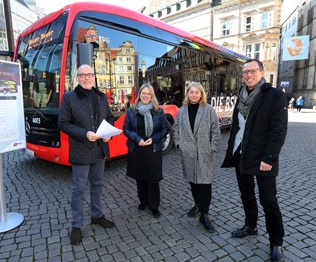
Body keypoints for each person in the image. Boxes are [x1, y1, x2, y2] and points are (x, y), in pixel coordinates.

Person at [221, 59, 288, 262]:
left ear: (262, 72)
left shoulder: (274, 96)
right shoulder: (241, 96)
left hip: (263, 159)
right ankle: (251, 225)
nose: (248, 75)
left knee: (269, 200)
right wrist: (232, 150)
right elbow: (237, 128)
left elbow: (279, 130)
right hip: (242, 155)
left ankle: (276, 242)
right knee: (246, 194)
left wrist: (269, 157)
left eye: (252, 71)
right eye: (245, 72)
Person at [58, 64, 116, 245]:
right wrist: (84, 134)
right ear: (77, 78)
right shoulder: (69, 98)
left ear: (94, 77)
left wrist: (108, 135)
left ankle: (97, 215)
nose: (86, 78)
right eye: (82, 75)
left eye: (89, 74)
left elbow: (110, 118)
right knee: (79, 189)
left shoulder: (101, 97)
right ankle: (76, 225)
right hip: (81, 151)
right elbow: (63, 123)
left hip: (99, 150)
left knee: (97, 185)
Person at [173, 82, 221, 232]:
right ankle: (198, 204)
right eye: (191, 92)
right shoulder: (181, 111)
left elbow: (216, 131)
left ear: (201, 94)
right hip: (188, 153)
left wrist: (212, 148)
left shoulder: (208, 110)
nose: (194, 94)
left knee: (205, 184)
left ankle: (204, 214)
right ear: (187, 94)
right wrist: (179, 144)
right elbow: (176, 129)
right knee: (193, 181)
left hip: (205, 153)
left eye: (197, 92)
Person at [123, 83, 170, 218]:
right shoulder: (132, 110)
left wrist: (154, 138)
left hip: (153, 149)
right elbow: (126, 128)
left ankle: (154, 206)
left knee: (153, 178)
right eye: (143, 93)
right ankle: (143, 201)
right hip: (137, 149)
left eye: (148, 93)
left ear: (152, 96)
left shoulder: (158, 111)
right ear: (139, 95)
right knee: (140, 177)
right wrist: (137, 139)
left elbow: (165, 129)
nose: (145, 96)